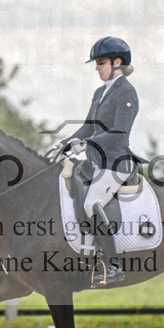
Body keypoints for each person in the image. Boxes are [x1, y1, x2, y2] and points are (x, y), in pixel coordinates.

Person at [49, 36, 139, 286]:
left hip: (115, 163)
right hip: (95, 164)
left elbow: (119, 132)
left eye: (101, 63)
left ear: (117, 62)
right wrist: (65, 143)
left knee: (92, 204)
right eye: (97, 64)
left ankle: (112, 266)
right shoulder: (100, 93)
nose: (97, 68)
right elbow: (88, 128)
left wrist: (88, 144)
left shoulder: (126, 92)